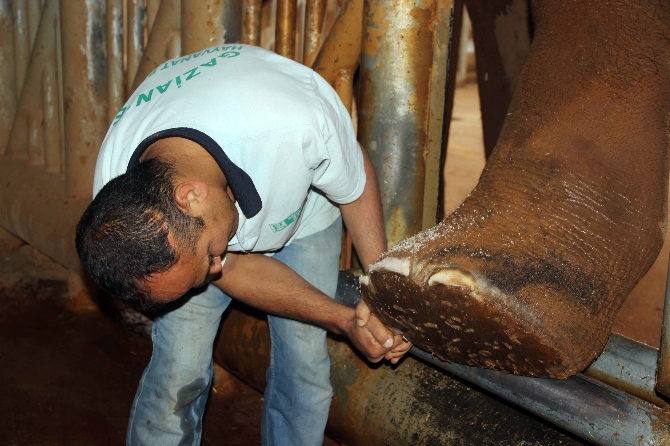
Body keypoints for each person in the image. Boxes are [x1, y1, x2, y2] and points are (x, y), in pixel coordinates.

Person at [75, 44, 411, 445]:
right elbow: (229, 268)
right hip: (205, 220)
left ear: (192, 195)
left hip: (303, 209)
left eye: (208, 259)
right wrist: (342, 319)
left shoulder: (296, 125)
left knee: (304, 366)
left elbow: (355, 184)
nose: (216, 271)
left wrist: (381, 294)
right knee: (178, 367)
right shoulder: (117, 205)